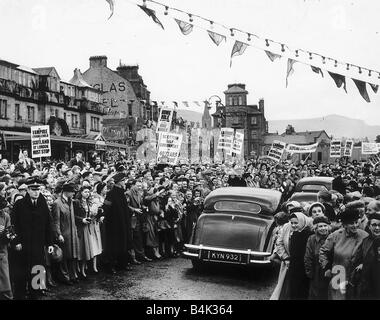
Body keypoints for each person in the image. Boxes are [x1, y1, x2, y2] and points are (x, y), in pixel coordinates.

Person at [11, 177, 54, 299]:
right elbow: (13, 224)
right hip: (23, 246)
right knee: (22, 271)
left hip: (38, 245)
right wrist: (16, 241)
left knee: (38, 268)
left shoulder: (42, 204)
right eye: (33, 189)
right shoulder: (19, 205)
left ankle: (36, 292)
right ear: (28, 190)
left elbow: (48, 224)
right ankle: (20, 294)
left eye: (38, 189)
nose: (36, 192)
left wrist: (49, 243)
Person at [319, 208, 368, 300]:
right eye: (351, 223)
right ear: (344, 225)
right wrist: (326, 267)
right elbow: (323, 251)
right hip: (339, 274)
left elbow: (370, 255)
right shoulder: (336, 235)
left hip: (357, 278)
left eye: (356, 222)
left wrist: (363, 264)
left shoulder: (365, 236)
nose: (354, 225)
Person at [271, 208, 313, 300]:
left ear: (302, 222)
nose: (293, 225)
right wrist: (285, 258)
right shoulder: (287, 228)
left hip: (303, 266)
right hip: (289, 262)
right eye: (292, 223)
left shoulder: (309, 234)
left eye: (296, 223)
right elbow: (280, 243)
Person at [102, 172, 132, 274]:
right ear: (119, 182)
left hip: (123, 223)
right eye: (123, 180)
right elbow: (106, 207)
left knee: (123, 244)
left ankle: (122, 264)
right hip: (114, 225)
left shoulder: (122, 193)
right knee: (113, 245)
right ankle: (111, 266)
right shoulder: (110, 194)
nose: (125, 182)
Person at [52, 182, 80, 285]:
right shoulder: (57, 203)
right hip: (64, 234)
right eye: (72, 192)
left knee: (72, 256)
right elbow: (56, 221)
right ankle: (65, 277)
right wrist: (58, 234)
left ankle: (73, 276)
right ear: (66, 191)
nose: (73, 194)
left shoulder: (71, 201)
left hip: (72, 233)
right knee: (64, 257)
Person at [351, 212, 380, 299]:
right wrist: (361, 263)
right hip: (367, 283)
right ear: (369, 226)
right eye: (374, 225)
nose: (377, 228)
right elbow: (357, 259)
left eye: (379, 225)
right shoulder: (365, 241)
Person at [304, 216, 331, 300]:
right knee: (316, 294)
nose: (323, 228)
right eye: (320, 226)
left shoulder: (333, 237)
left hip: (330, 270)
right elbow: (308, 256)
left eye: (325, 226)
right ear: (316, 228)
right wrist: (310, 273)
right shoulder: (312, 239)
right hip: (317, 272)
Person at [0, 197, 13, 300]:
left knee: (4, 276)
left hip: (2, 250)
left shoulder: (5, 216)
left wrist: (7, 235)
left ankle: (7, 295)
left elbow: (9, 231)